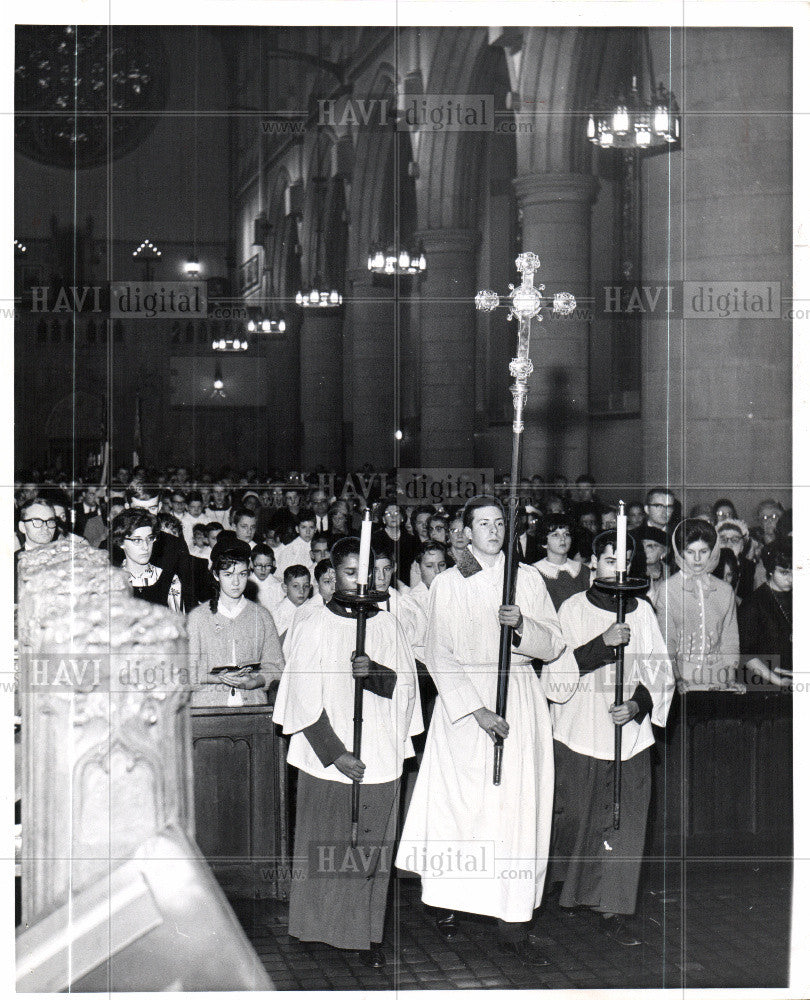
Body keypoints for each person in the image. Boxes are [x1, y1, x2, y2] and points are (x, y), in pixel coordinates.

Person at [396, 495, 578, 966]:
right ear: (466, 531)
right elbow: (438, 653)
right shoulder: (450, 584)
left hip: (516, 693)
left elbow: (554, 643)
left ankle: (512, 919)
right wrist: (476, 711)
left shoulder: (528, 578)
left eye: (500, 522)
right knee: (465, 807)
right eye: (483, 523)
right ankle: (451, 902)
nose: (493, 530)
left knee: (514, 809)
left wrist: (521, 629)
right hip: (466, 709)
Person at [273, 536, 421, 968]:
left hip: (378, 748)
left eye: (369, 572)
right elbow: (299, 694)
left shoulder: (389, 625)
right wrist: (335, 752)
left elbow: (408, 691)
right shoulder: (312, 622)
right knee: (326, 845)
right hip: (329, 755)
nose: (362, 581)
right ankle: (314, 926)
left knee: (369, 847)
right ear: (333, 575)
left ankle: (360, 934)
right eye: (351, 572)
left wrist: (373, 671)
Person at [549, 531, 674, 946]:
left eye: (623, 562)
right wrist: (602, 645)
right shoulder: (571, 608)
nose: (615, 569)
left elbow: (658, 672)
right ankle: (570, 894)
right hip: (579, 729)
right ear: (592, 564)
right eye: (607, 560)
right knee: (574, 819)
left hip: (628, 736)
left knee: (625, 821)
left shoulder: (641, 610)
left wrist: (637, 705)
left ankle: (613, 907)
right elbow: (555, 675)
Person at [187, 541, 284, 708]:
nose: (236, 582)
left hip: (253, 707)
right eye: (228, 574)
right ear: (216, 575)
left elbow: (277, 667)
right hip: (208, 709)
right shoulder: (198, 617)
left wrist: (255, 681)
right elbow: (187, 672)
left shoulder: (261, 616)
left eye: (242, 574)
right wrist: (215, 678)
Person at [652, 518, 742, 692]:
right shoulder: (667, 590)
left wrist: (730, 679)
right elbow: (666, 641)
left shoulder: (724, 590)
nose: (698, 559)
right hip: (679, 679)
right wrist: (677, 679)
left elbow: (730, 639)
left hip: (718, 678)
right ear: (680, 552)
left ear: (713, 551)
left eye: (704, 551)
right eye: (690, 552)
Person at [738, 539, 792, 689]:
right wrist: (778, 681)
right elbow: (747, 655)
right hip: (766, 684)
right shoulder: (753, 603)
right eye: (784, 572)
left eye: (796, 571)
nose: (791, 578)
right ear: (770, 569)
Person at [110, 509, 183, 611]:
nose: (146, 546)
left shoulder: (170, 579)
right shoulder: (112, 580)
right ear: (121, 542)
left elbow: (178, 622)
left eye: (150, 538)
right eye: (137, 540)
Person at [531, 512, 589, 611]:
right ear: (544, 543)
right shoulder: (533, 572)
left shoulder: (583, 571)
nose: (563, 539)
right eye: (555, 535)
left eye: (566, 534)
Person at [275, 509, 317, 581]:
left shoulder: (319, 547)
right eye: (303, 527)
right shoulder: (288, 549)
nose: (308, 531)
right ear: (297, 529)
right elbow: (280, 576)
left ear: (315, 529)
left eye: (311, 527)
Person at [272, 565, 312, 640]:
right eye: (296, 586)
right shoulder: (277, 614)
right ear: (285, 588)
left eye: (305, 586)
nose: (302, 591)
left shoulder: (314, 609)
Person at [245, 542, 285, 611]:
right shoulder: (246, 586)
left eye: (267, 565)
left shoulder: (279, 585)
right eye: (259, 565)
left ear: (273, 564)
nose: (263, 569)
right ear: (251, 564)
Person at [640, 525, 670, 605]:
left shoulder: (671, 572)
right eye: (642, 546)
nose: (644, 550)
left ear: (664, 552)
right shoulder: (634, 572)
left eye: (651, 546)